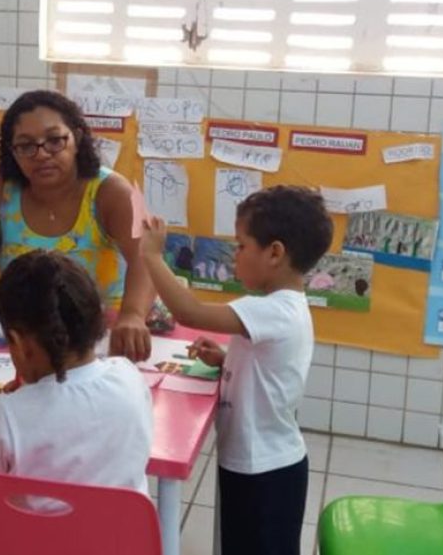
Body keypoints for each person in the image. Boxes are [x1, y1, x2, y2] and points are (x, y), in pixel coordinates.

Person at [139, 186, 333, 555]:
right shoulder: (282, 309)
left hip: (266, 472)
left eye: (242, 246)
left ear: (274, 253)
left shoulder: (273, 310)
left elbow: (189, 313)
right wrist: (227, 359)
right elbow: (274, 369)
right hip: (257, 463)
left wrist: (152, 257)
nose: (234, 255)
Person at [0, 90, 156, 361]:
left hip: (100, 335)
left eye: (55, 141)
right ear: (12, 151)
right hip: (23, 339)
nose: (41, 154)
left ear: (77, 138)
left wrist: (133, 315)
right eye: (26, 146)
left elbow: (148, 260)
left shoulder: (115, 190)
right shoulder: (0, 188)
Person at [0, 250, 153, 496]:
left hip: (32, 535)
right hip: (121, 534)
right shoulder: (129, 377)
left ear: (19, 342)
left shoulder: (6, 417)